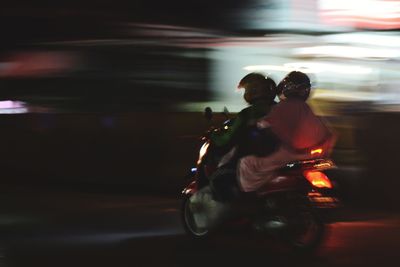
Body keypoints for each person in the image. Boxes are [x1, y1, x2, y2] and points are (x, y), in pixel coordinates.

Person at [189, 73, 277, 230]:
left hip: (251, 159)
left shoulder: (248, 113)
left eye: (247, 90)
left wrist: (214, 135)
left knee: (218, 178)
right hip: (278, 157)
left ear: (254, 91)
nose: (245, 94)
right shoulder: (279, 109)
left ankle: (237, 212)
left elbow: (226, 139)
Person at [238, 71, 336, 192]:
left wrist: (254, 127)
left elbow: (265, 126)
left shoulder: (283, 107)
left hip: (289, 155)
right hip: (312, 157)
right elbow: (328, 134)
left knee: (246, 163)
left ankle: (248, 196)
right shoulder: (306, 108)